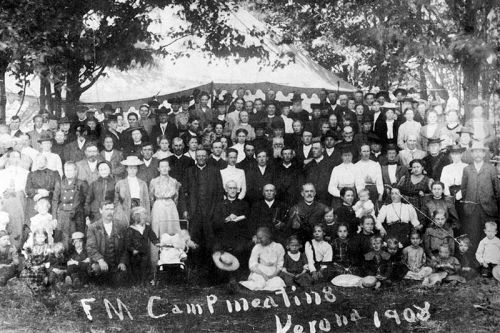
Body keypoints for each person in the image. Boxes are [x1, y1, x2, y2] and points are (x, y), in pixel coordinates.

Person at [461, 141, 500, 251]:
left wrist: (494, 206)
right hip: (472, 209)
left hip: (488, 209)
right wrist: (469, 202)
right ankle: (475, 263)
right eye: (475, 152)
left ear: (484, 154)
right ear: (472, 154)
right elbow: (464, 190)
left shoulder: (491, 168)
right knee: (473, 235)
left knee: (489, 235)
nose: (478, 154)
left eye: (480, 152)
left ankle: (488, 262)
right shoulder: (467, 169)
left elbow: (497, 189)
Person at [183, 148, 224, 250]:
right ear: (195, 157)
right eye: (199, 156)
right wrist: (185, 210)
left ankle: (208, 264)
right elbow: (183, 193)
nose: (201, 158)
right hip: (194, 211)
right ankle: (194, 265)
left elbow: (219, 192)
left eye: (203, 156)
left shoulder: (214, 171)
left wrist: (217, 211)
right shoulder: (189, 171)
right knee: (194, 240)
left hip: (210, 212)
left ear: (207, 157)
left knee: (209, 240)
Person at [211, 180, 252, 283]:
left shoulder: (244, 204)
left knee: (241, 248)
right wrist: (227, 219)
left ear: (237, 190)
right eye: (230, 188)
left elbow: (248, 222)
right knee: (217, 249)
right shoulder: (220, 205)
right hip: (223, 235)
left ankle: (237, 277)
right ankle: (222, 278)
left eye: (234, 188)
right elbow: (215, 222)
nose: (232, 191)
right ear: (226, 190)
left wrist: (238, 218)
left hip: (239, 236)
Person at [149, 158, 185, 265]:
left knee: (172, 232)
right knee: (157, 231)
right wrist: (157, 207)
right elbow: (151, 198)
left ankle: (175, 261)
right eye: (162, 167)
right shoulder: (153, 181)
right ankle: (156, 262)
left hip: (171, 208)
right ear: (158, 169)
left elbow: (176, 198)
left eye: (166, 166)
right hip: (158, 207)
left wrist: (171, 206)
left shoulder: (174, 182)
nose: (164, 169)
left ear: (169, 168)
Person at [86, 200, 128, 285]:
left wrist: (122, 262)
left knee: (121, 280)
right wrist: (100, 260)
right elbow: (91, 248)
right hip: (100, 264)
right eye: (106, 209)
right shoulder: (93, 228)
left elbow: (125, 247)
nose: (109, 212)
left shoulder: (120, 226)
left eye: (111, 209)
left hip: (116, 264)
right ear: (101, 210)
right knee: (95, 270)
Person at [52, 161, 88, 248]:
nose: (68, 172)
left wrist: (86, 216)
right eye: (66, 170)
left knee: (76, 238)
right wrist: (54, 217)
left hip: (76, 215)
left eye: (71, 170)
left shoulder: (82, 183)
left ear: (76, 171)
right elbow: (55, 200)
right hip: (62, 215)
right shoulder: (60, 183)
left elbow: (87, 201)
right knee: (61, 239)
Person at [239, 227, 285, 291]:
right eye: (258, 238)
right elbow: (252, 265)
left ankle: (267, 285)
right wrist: (263, 275)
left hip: (273, 272)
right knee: (260, 283)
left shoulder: (278, 247)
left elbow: (280, 264)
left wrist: (273, 275)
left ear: (268, 236)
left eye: (261, 238)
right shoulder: (257, 247)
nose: (259, 240)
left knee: (277, 283)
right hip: (260, 271)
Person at [0, 151, 28, 248]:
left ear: (20, 159)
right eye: (13, 157)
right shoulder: (2, 173)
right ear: (9, 159)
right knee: (8, 223)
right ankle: (6, 247)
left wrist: (17, 192)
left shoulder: (26, 173)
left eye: (17, 157)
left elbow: (26, 189)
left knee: (19, 224)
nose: (15, 159)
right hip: (7, 202)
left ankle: (17, 247)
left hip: (19, 203)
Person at [125, 206, 160, 285]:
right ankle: (136, 281)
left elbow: (152, 236)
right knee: (135, 267)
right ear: (136, 217)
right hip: (134, 253)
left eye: (145, 217)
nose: (145, 218)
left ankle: (144, 281)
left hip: (144, 252)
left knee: (145, 265)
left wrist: (157, 243)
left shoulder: (147, 228)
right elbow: (127, 243)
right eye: (143, 217)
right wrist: (132, 250)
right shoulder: (130, 229)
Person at [114, 156, 151, 227]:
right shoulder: (120, 183)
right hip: (125, 210)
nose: (132, 170)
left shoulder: (142, 183)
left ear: (137, 169)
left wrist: (147, 218)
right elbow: (116, 201)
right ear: (127, 169)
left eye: (134, 168)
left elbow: (147, 201)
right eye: (130, 168)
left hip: (139, 207)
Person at [397, 159, 432, 223]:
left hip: (420, 207)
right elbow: (397, 191)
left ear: (422, 168)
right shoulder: (404, 178)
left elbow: (432, 195)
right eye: (414, 167)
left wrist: (424, 194)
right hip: (405, 205)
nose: (416, 169)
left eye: (418, 167)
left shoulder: (428, 180)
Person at [304, 139, 334, 206]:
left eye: (316, 148)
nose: (313, 150)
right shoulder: (308, 166)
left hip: (325, 199)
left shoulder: (330, 165)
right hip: (311, 200)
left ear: (322, 150)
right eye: (312, 148)